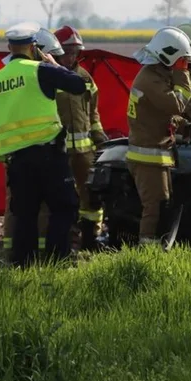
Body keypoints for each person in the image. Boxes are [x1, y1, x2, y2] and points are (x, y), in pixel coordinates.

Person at [0, 21, 87, 266]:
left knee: (25, 215)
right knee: (64, 207)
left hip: (17, 161)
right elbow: (78, 85)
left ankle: (23, 266)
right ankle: (56, 260)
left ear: (10, 47)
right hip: (48, 155)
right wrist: (55, 65)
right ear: (33, 47)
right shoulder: (40, 70)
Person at [127, 27, 191, 246]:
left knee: (163, 205)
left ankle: (157, 249)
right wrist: (183, 75)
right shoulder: (150, 80)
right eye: (182, 61)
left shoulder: (155, 76)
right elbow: (177, 103)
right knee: (155, 208)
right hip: (148, 156)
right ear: (170, 56)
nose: (185, 65)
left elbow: (160, 115)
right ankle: (148, 255)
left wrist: (182, 125)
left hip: (156, 155)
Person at [51, 25, 108, 250]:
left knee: (91, 197)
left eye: (75, 52)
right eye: (67, 51)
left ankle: (91, 240)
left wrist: (99, 137)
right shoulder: (48, 76)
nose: (71, 56)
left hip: (85, 152)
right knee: (63, 200)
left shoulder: (85, 77)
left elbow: (93, 111)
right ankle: (66, 242)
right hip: (59, 151)